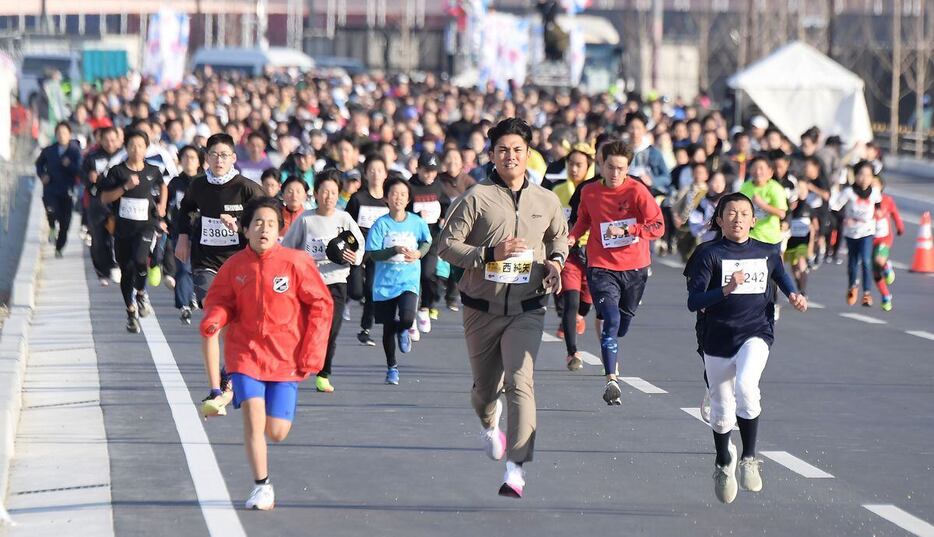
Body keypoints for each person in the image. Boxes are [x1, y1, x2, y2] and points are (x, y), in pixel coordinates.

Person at [438, 117, 568, 498]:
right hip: (481, 307)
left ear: (529, 154)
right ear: (492, 155)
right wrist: (488, 254)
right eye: (503, 150)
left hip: (527, 307)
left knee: (521, 381)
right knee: (484, 391)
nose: (510, 156)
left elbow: (559, 239)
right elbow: (446, 247)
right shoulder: (475, 197)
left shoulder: (545, 199)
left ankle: (516, 469)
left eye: (517, 150)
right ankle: (489, 420)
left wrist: (556, 264)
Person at [200, 196, 333, 511]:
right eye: (257, 223)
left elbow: (321, 304)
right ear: (245, 229)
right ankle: (262, 486)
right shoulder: (235, 266)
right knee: (253, 418)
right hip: (245, 354)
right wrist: (215, 317)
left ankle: (263, 475)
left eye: (271, 224)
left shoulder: (296, 263)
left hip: (286, 357)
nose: (264, 229)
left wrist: (313, 353)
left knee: (276, 432)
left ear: (280, 230)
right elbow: (220, 300)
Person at [685, 192, 807, 504]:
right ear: (719, 220)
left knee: (747, 386)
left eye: (743, 213)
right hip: (717, 337)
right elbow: (693, 301)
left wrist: (793, 294)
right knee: (723, 410)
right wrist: (725, 289)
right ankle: (723, 462)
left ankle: (749, 459)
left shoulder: (767, 252)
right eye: (730, 213)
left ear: (754, 221)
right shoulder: (707, 254)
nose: (737, 219)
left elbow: (780, 276)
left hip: (757, 331)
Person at [567, 141, 665, 404]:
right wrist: (572, 237)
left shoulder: (637, 191)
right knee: (609, 319)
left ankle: (614, 347)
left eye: (620, 168)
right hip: (601, 266)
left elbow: (657, 226)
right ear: (601, 164)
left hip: (634, 268)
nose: (614, 173)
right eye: (610, 167)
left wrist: (629, 231)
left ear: (628, 168)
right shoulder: (589, 191)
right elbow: (584, 220)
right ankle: (612, 379)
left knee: (621, 325)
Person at [174, 133, 265, 415]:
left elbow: (267, 222)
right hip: (207, 263)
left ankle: (229, 370)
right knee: (213, 317)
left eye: (224, 155)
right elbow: (185, 209)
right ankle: (216, 387)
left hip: (241, 264)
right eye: (213, 155)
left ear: (234, 158)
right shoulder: (198, 186)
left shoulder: (248, 189)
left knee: (235, 323)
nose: (218, 160)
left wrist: (238, 226)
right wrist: (182, 237)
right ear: (207, 158)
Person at [281, 170, 365, 392]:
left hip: (336, 281)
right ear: (316, 194)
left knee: (331, 329)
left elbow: (360, 244)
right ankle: (296, 364)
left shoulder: (344, 219)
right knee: (306, 327)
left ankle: (323, 374)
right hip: (308, 283)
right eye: (324, 192)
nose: (329, 196)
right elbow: (287, 247)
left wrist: (354, 257)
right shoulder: (306, 219)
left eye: (334, 192)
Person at [365, 177, 432, 385]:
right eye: (394, 194)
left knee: (406, 317)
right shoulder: (381, 224)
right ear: (386, 198)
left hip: (408, 280)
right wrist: (393, 250)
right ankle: (392, 367)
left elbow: (427, 241)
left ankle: (404, 329)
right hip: (384, 284)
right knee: (387, 327)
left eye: (403, 194)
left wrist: (419, 254)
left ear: (408, 198)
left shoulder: (416, 222)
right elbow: (373, 254)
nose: (398, 198)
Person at [99, 130, 167, 333]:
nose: (136, 149)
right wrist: (124, 187)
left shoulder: (153, 170)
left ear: (146, 148)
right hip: (122, 229)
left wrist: (162, 206)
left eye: (140, 145)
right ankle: (130, 311)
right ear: (126, 148)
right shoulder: (117, 172)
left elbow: (163, 186)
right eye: (132, 146)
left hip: (146, 226)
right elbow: (105, 198)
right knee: (126, 270)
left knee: (140, 259)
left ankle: (141, 292)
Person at [554, 143, 596, 370]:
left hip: (594, 254)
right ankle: (572, 352)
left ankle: (580, 316)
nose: (574, 169)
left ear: (589, 166)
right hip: (568, 253)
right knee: (569, 301)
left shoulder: (595, 190)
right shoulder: (558, 191)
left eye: (579, 165)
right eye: (570, 164)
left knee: (585, 303)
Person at [346, 155, 391, 347]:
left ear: (385, 174)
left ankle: (365, 329)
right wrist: (351, 245)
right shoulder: (358, 199)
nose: (375, 174)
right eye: (371, 170)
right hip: (358, 250)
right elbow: (346, 225)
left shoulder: (389, 200)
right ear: (365, 174)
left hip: (378, 252)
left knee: (373, 290)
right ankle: (350, 298)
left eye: (379, 170)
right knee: (357, 292)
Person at [408, 152, 450, 332]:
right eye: (426, 171)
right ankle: (409, 315)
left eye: (433, 172)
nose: (430, 175)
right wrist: (417, 216)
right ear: (417, 169)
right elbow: (400, 208)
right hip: (410, 240)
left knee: (427, 274)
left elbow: (447, 204)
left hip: (432, 240)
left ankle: (425, 308)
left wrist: (443, 218)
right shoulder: (409, 187)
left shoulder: (438, 187)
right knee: (411, 278)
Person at [36, 121, 82, 257]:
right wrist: (42, 175)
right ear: (56, 134)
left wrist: (69, 165)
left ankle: (59, 247)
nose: (62, 135)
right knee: (51, 210)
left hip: (67, 190)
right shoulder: (49, 150)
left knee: (65, 222)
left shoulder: (75, 151)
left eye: (65, 133)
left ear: (69, 134)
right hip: (51, 188)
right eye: (59, 133)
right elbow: (39, 164)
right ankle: (51, 227)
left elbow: (80, 171)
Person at [167, 145, 203, 324]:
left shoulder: (204, 183)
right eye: (186, 157)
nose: (189, 160)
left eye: (193, 157)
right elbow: (168, 206)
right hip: (180, 231)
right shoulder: (174, 183)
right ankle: (184, 306)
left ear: (199, 161)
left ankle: (194, 295)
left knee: (196, 268)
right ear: (180, 161)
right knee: (182, 268)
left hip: (202, 232)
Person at [82, 126, 122, 284]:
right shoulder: (92, 158)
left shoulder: (123, 156)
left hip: (117, 202)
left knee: (116, 236)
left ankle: (115, 265)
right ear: (101, 140)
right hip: (97, 203)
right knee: (98, 239)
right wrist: (89, 178)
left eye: (113, 140)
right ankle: (102, 271)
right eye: (106, 140)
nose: (110, 143)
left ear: (119, 140)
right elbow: (83, 177)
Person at [841, 161, 882, 307]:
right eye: (861, 175)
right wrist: (845, 219)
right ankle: (852, 286)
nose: (864, 178)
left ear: (872, 177)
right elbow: (836, 207)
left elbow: (878, 204)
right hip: (851, 232)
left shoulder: (875, 192)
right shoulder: (848, 192)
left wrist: (878, 212)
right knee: (853, 261)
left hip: (867, 231)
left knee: (865, 260)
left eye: (868, 175)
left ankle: (867, 293)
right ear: (855, 176)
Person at [871, 176, 904, 312]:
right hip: (870, 240)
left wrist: (900, 227)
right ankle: (885, 295)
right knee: (875, 272)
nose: (872, 187)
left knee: (879, 260)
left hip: (884, 239)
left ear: (881, 187)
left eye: (875, 185)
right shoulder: (865, 202)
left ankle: (886, 265)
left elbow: (895, 214)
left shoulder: (887, 201)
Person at [739, 157, 788, 246]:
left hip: (770, 239)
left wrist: (762, 205)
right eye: (755, 168)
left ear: (770, 172)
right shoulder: (745, 187)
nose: (758, 172)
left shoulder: (776, 188)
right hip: (749, 238)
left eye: (761, 168)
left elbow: (782, 214)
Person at [783, 178, 817, 296]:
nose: (802, 191)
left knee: (801, 263)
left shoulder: (809, 208)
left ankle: (803, 291)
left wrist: (812, 246)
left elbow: (814, 227)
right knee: (794, 268)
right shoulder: (789, 205)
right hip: (790, 241)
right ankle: (799, 285)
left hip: (803, 242)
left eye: (804, 189)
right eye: (800, 189)